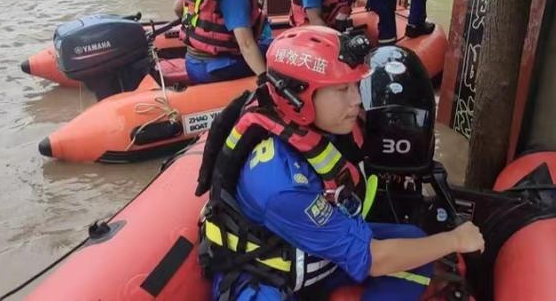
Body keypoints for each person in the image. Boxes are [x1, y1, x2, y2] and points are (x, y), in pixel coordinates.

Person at [196, 26, 485, 300]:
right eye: (342, 89)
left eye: (355, 85)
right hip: (267, 273)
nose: (357, 99)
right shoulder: (279, 181)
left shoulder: (314, 126)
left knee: (412, 241)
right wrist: (455, 241)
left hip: (309, 250)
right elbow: (372, 259)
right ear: (297, 97)